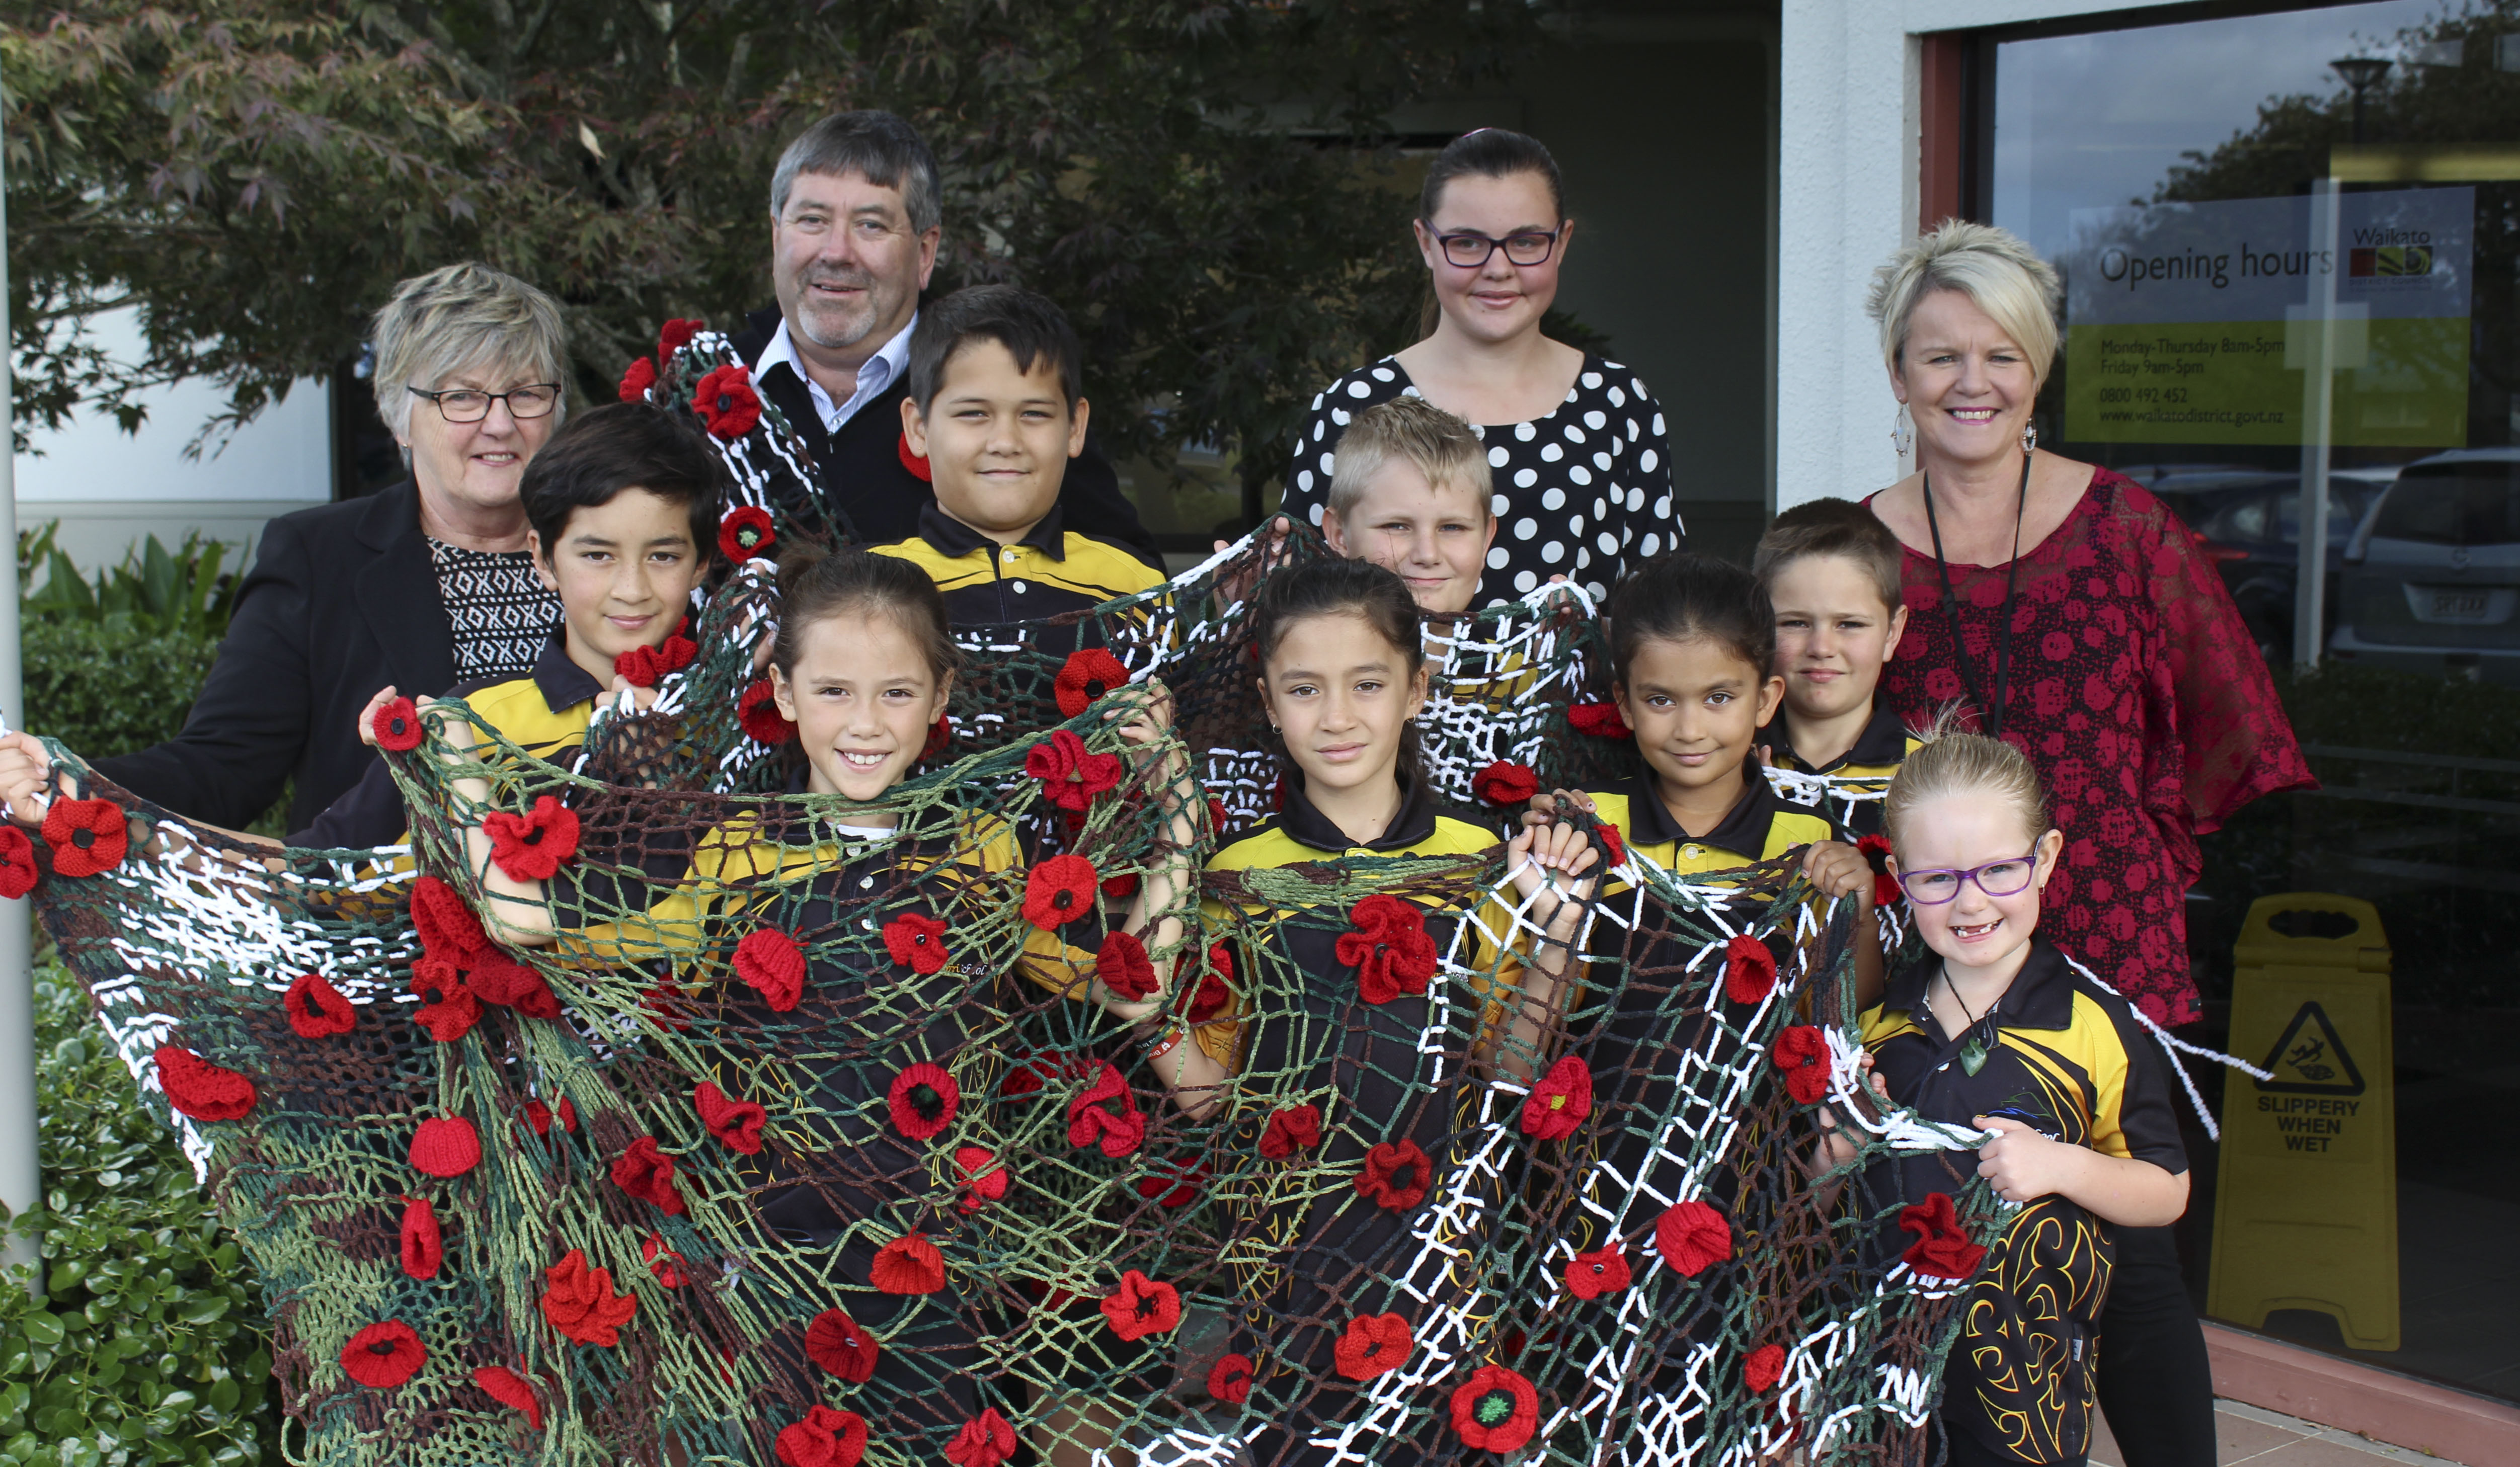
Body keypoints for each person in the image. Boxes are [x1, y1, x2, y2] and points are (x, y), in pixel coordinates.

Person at [441, 545, 1215, 1454]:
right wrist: (451, 753)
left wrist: (1174, 806)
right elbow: (516, 915)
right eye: (835, 691)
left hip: (932, 1274)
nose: (866, 722)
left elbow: (1135, 984)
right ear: (783, 692)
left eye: (895, 693)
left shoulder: (979, 850)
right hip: (762, 1273)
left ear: (939, 697)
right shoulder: (734, 852)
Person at [1860, 220, 2311, 1467]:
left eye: (1999, 354)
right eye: (1938, 355)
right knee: (1927, 1233)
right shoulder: (1857, 545)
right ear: (1896, 372)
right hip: (1926, 943)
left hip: (2109, 934)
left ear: (2039, 369)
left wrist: (2135, 840)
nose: (1970, 382)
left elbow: (2224, 717)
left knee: (2140, 1265)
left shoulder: (2126, 528)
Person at [1206, 557, 1593, 1467]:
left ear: (1416, 689)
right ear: (1267, 701)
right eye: (1304, 689)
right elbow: (1217, 1085)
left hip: (1447, 1227)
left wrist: (1557, 937)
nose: (1335, 717)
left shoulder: (1482, 856)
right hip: (1288, 1238)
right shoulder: (1232, 875)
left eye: (1366, 684)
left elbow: (1509, 1063)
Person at [92, 263, 572, 833]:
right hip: (379, 916)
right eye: (461, 397)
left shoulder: (609, 549)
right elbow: (223, 767)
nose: (499, 423)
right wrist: (68, 783)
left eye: (525, 394)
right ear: (400, 417)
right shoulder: (318, 558)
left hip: (609, 915)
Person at [1833, 725, 2190, 1467]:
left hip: (2025, 1387)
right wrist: (1839, 1144)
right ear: (1900, 875)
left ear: (2047, 860)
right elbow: (1821, 1189)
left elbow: (2167, 1189)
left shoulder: (2094, 1026)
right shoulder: (1878, 1026)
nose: (1970, 903)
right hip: (1877, 1378)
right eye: (1938, 879)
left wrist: (2062, 1167)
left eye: (1999, 870)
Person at [727, 110, 1161, 564]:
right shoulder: (698, 392)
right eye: (812, 220)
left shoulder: (1003, 390)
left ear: (926, 252)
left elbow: (1133, 589)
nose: (837, 252)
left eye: (871, 225)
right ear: (777, 236)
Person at [1280, 128, 1684, 608]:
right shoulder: (1353, 405)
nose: (1498, 267)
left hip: (1573, 687)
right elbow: (1302, 605)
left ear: (1561, 242)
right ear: (1426, 243)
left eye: (1527, 241)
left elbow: (1661, 607)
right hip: (1395, 685)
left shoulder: (1620, 405)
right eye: (1469, 243)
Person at [293, 403, 721, 850]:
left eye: (663, 556)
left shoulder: (733, 721)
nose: (632, 590)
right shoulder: (472, 721)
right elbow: (318, 862)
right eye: (597, 555)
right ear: (543, 558)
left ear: (701, 564)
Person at [1568, 554, 1881, 1001]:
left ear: (1765, 700)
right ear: (1625, 704)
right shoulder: (1592, 828)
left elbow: (1849, 1013)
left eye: (1718, 697)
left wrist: (1861, 916)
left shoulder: (1809, 842)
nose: (1690, 730)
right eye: (1660, 700)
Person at [869, 286, 1163, 631]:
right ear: (919, 429)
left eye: (1034, 414)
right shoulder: (866, 589)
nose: (1006, 443)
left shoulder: (1136, 585)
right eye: (974, 413)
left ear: (1075, 428)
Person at [1754, 498, 1921, 840]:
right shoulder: (1722, 762)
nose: (1822, 648)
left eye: (1850, 624)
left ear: (1892, 632)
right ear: (1760, 626)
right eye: (1796, 623)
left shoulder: (1933, 777)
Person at [1319, 395, 1498, 615]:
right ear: (1340, 535)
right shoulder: (1282, 648)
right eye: (1396, 526)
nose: (1428, 555)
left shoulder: (1529, 649)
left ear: (1486, 539)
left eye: (1452, 527)